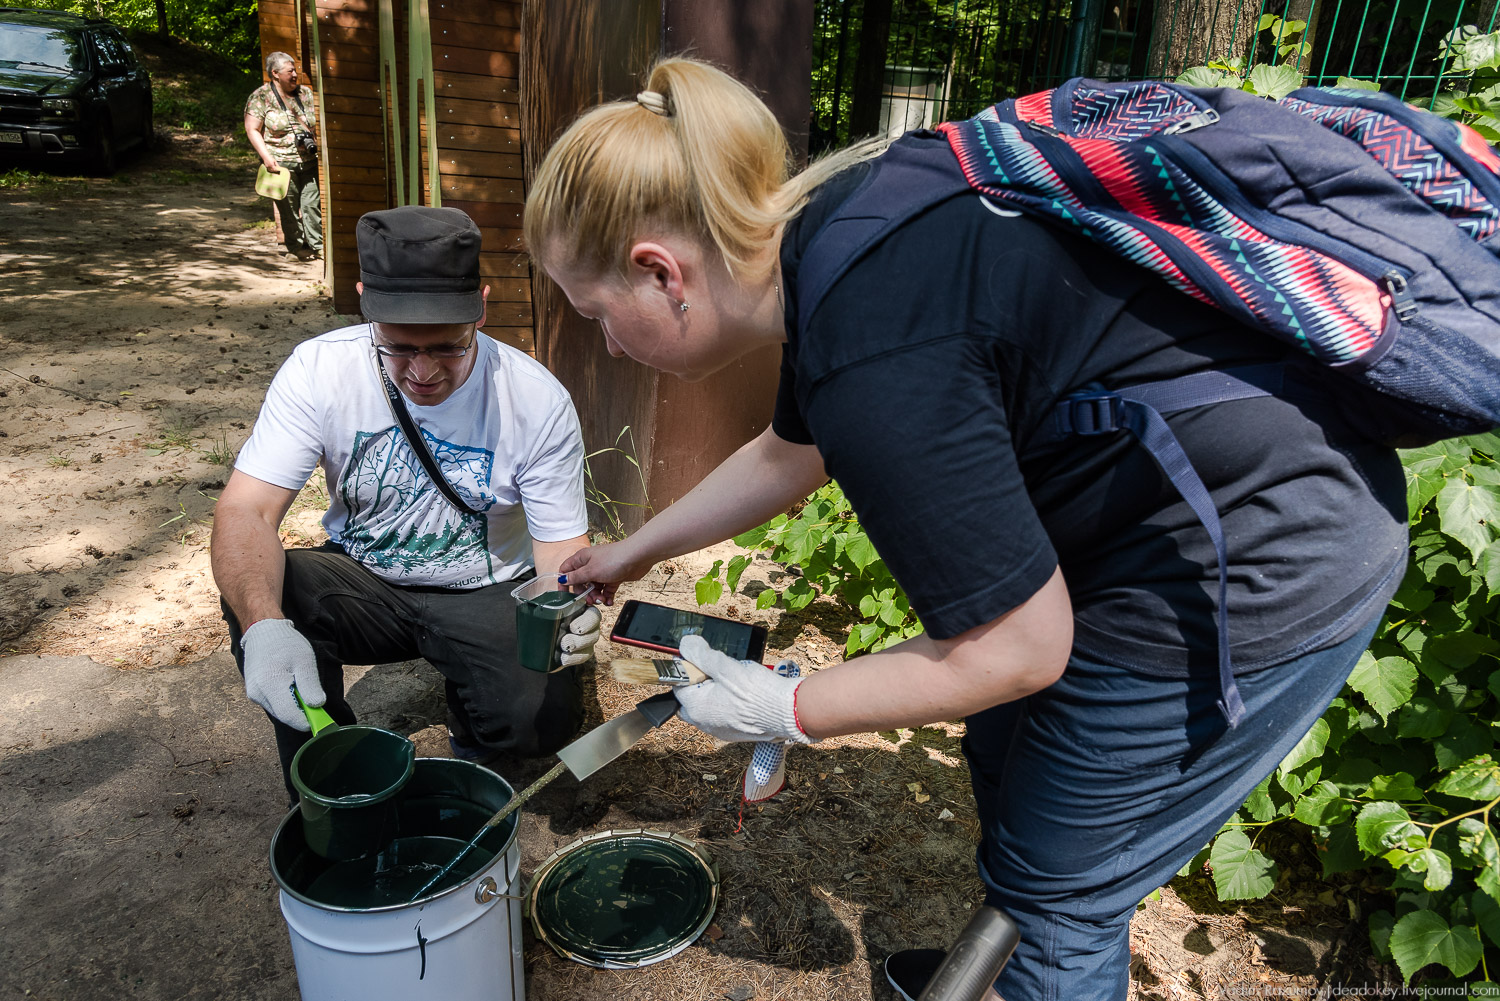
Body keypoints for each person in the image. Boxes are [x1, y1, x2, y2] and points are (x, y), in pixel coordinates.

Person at [523, 60, 1408, 1000]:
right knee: (1006, 758)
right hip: (1152, 516)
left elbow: (1016, 650)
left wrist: (784, 709)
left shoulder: (872, 347)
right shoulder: (840, 239)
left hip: (1258, 553)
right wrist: (630, 551)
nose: (608, 345)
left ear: (661, 271)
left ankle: (1038, 951)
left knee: (1059, 898)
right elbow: (793, 452)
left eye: (598, 317)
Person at [211, 205, 601, 802]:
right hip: (365, 581)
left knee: (538, 723)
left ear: (482, 307)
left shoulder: (534, 398)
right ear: (366, 301)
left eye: (447, 347)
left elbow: (557, 544)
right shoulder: (319, 370)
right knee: (270, 587)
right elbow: (245, 512)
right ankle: (330, 769)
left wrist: (560, 610)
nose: (422, 372)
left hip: (489, 585)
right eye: (397, 348)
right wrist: (262, 625)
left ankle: (477, 712)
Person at [245, 51, 322, 261]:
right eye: (291, 71)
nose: (296, 75)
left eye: (295, 70)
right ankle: (296, 247)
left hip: (308, 161)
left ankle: (318, 245)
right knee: (287, 208)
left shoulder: (305, 94)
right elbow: (252, 129)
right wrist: (266, 157)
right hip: (280, 164)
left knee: (311, 204)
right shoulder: (261, 97)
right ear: (275, 74)